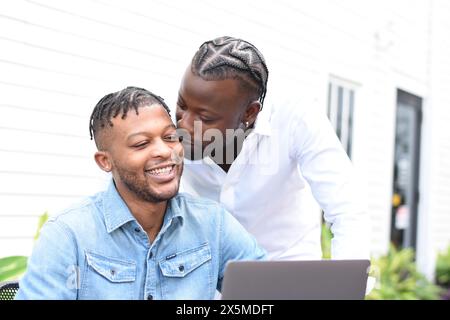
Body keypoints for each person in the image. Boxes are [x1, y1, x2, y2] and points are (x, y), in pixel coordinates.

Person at [15, 86, 266, 300]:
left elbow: (269, 291)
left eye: (170, 137)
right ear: (105, 161)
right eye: (141, 144)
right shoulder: (67, 235)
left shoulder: (213, 223)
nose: (165, 151)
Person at [176, 36, 370, 261]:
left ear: (250, 113)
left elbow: (347, 209)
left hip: (287, 273)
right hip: (209, 279)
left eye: (205, 117)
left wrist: (346, 288)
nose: (184, 124)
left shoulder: (294, 117)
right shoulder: (165, 128)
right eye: (181, 105)